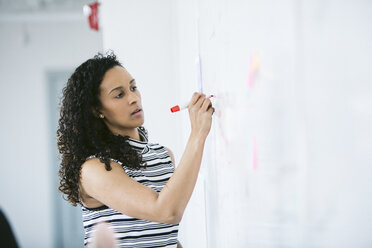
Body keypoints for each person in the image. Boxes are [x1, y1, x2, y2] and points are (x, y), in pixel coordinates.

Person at [57, 52, 214, 247]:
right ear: (97, 110)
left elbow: (163, 235)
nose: (133, 98)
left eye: (133, 87)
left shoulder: (163, 155)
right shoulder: (94, 169)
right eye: (119, 94)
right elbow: (166, 212)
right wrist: (198, 134)